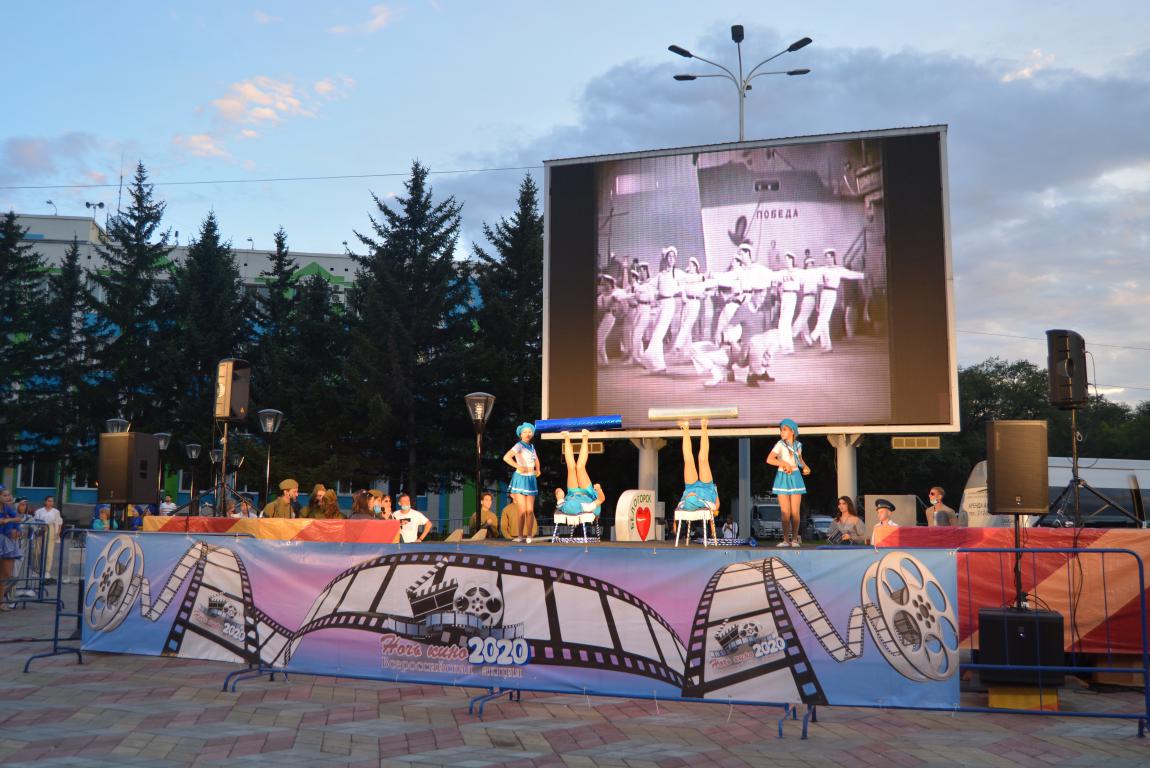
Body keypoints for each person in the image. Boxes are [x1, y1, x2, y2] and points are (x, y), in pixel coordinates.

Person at [766, 418, 810, 547]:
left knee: (795, 512)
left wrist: (806, 467)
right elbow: (769, 459)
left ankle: (795, 539)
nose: (782, 432)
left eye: (784, 430)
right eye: (781, 430)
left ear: (792, 431)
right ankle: (785, 540)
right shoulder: (779, 444)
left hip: (796, 476)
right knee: (785, 512)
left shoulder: (798, 445)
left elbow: (799, 460)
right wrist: (783, 463)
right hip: (782, 476)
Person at [674, 418, 719, 541]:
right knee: (702, 459)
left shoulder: (684, 504)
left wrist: (690, 496)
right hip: (707, 489)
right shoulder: (703, 503)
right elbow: (716, 505)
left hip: (691, 487)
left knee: (688, 460)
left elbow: (678, 509)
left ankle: (685, 427)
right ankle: (704, 426)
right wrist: (716, 493)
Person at [553, 430, 606, 534]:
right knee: (580, 467)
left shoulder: (565, 506)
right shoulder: (587, 507)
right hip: (588, 493)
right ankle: (585, 437)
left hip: (573, 492)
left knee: (571, 468)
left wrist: (559, 494)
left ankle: (566, 437)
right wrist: (599, 489)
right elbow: (601, 499)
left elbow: (558, 492)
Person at [643, 246, 681, 373]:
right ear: (666, 259)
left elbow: (690, 279)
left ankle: (649, 356)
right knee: (657, 333)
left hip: (669, 303)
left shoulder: (677, 273)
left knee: (658, 333)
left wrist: (702, 278)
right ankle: (659, 365)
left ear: (675, 259)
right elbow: (649, 285)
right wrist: (638, 288)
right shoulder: (661, 275)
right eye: (669, 257)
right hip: (661, 304)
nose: (671, 259)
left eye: (673, 257)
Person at [503, 422, 541, 544]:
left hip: (530, 479)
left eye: (529, 432)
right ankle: (520, 535)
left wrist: (538, 469)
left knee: (530, 510)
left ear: (532, 434)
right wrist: (518, 466)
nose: (527, 434)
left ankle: (529, 535)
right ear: (520, 434)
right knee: (522, 510)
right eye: (524, 432)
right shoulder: (518, 445)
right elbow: (506, 457)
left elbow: (536, 460)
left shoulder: (532, 447)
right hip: (520, 478)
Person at [0, 486, 23, 610]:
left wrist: (17, 531)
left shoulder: (9, 508)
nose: (8, 497)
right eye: (5, 495)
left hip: (7, 542)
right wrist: (10, 520)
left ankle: (1, 601)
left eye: (9, 495)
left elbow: (17, 521)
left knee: (6, 575)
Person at [32, 496, 63, 581]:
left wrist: (58, 533)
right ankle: (36, 569)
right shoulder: (39, 511)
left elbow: (59, 522)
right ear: (45, 502)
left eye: (52, 501)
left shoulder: (56, 512)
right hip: (40, 529)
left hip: (50, 529)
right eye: (49, 501)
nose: (50, 503)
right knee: (36, 551)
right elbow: (35, 521)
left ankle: (47, 571)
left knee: (49, 552)